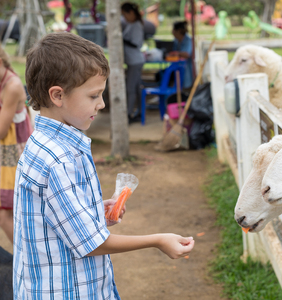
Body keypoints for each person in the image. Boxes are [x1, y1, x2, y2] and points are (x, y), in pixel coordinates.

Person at [14, 32, 195, 299]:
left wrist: (95, 211)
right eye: (94, 95)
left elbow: (55, 215)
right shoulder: (60, 160)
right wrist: (157, 240)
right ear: (57, 95)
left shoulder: (43, 144)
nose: (101, 104)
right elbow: (90, 244)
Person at [0, 46, 32, 244]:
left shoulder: (11, 86)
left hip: (14, 156)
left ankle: (25, 261)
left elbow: (1, 131)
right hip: (6, 154)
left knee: (5, 215)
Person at [121, 2, 145, 123]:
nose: (124, 18)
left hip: (135, 61)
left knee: (130, 89)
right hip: (132, 61)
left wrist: (122, 40)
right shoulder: (131, 24)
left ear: (131, 13)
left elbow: (137, 44)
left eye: (125, 15)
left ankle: (129, 114)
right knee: (136, 89)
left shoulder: (136, 25)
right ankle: (140, 112)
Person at [171, 21, 194, 89]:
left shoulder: (188, 40)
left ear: (178, 31)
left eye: (174, 30)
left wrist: (177, 53)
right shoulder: (176, 40)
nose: (172, 32)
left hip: (187, 68)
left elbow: (187, 54)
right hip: (178, 66)